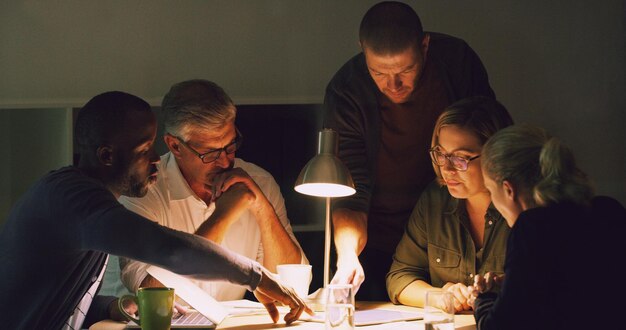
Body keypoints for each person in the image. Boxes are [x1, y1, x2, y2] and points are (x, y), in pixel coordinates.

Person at [0, 91, 311, 329]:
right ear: (107, 155)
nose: (154, 161)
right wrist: (256, 277)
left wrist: (113, 307)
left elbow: (62, 299)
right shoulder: (76, 201)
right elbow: (169, 250)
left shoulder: (83, 198)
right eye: (144, 151)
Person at [323, 1, 495, 300]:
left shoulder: (456, 64)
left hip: (453, 227)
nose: (394, 85)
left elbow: (489, 141)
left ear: (425, 46)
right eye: (378, 73)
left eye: (406, 70)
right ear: (362, 50)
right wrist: (348, 255)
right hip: (377, 236)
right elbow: (353, 190)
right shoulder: (347, 90)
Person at [118, 79, 308, 301]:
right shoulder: (143, 192)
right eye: (210, 154)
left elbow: (291, 286)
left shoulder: (258, 181)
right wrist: (224, 215)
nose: (226, 162)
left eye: (230, 146)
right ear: (175, 145)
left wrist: (262, 208)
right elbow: (151, 296)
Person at [471, 125, 626, 330]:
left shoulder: (532, 228)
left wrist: (483, 298)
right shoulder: (608, 210)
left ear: (509, 189)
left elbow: (499, 326)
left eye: (491, 190)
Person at [385, 96, 513, 311]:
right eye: (441, 154)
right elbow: (399, 277)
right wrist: (440, 296)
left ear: (496, 156)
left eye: (460, 158)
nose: (447, 168)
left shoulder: (523, 207)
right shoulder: (436, 200)